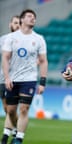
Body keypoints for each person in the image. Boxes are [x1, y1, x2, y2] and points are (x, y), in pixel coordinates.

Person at [1, 9, 48, 144]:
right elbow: (5, 58)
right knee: (10, 111)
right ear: (22, 20)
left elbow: (43, 60)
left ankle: (19, 138)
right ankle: (15, 130)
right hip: (12, 79)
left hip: (29, 79)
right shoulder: (11, 38)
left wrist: (42, 82)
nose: (32, 18)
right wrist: (7, 77)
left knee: (24, 109)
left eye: (34, 17)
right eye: (29, 16)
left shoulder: (39, 39)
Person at [0, 15, 20, 144]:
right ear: (10, 25)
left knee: (12, 108)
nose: (17, 25)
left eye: (19, 23)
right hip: (2, 78)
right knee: (7, 109)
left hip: (17, 78)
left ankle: (5, 136)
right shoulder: (3, 39)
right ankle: (16, 129)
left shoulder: (26, 40)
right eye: (15, 23)